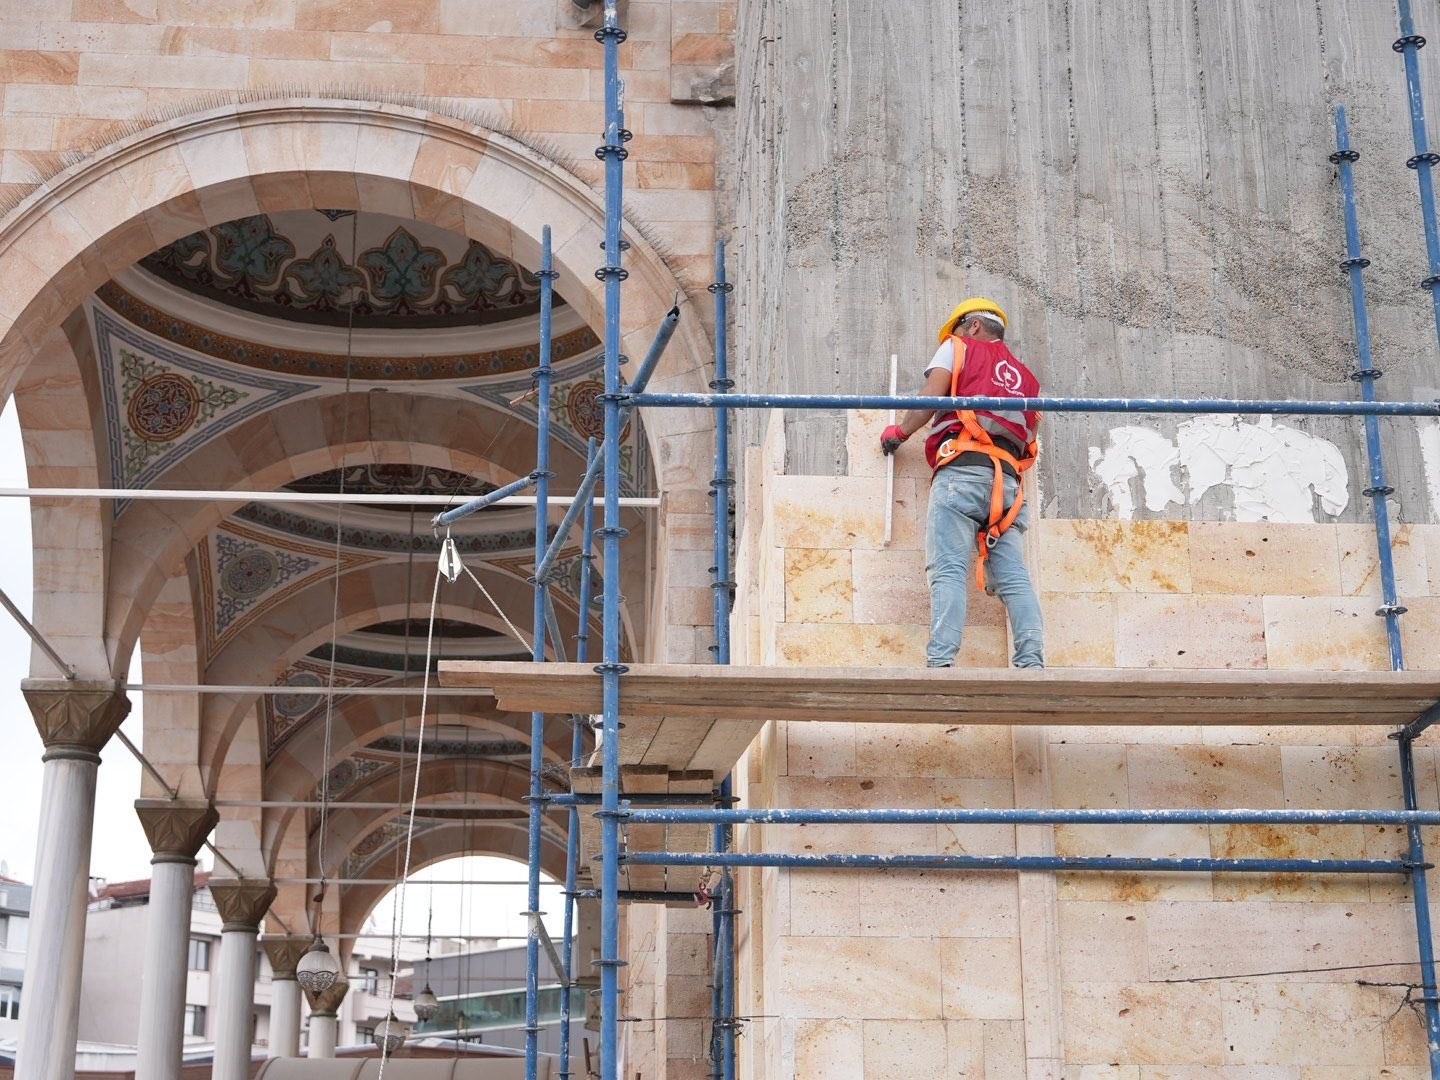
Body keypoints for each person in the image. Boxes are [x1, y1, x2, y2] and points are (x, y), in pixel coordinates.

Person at [880, 298, 1044, 669]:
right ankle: (1032, 664)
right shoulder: (1028, 379)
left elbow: (930, 399)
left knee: (948, 570)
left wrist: (899, 432)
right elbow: (1029, 435)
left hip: (962, 472)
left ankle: (940, 665)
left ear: (971, 327)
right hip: (1008, 486)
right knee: (1014, 577)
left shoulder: (958, 347)